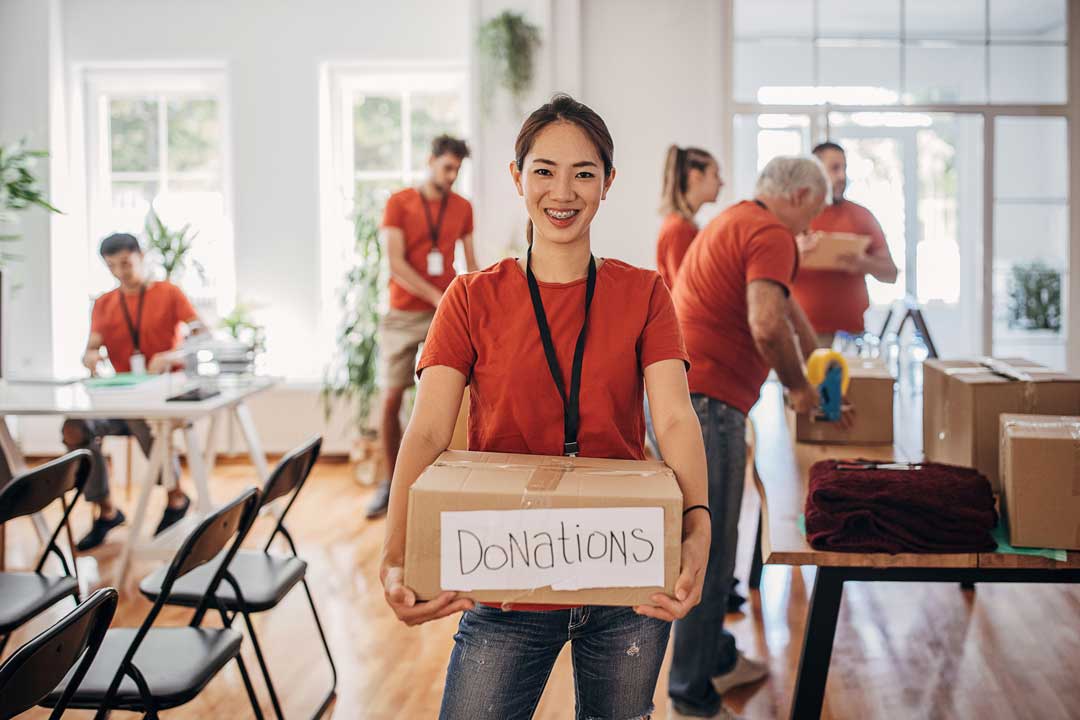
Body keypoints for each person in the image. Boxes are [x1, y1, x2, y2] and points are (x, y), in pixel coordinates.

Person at [379, 94, 711, 720]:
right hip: (503, 579)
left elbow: (672, 418)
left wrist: (698, 524)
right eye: (544, 170)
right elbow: (425, 432)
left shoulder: (644, 292)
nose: (564, 191)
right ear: (517, 177)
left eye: (584, 172)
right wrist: (396, 551)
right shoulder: (470, 297)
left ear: (608, 183)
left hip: (626, 578)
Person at [668, 156, 830, 719]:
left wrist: (819, 363)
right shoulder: (771, 232)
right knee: (708, 554)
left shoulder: (739, 219)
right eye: (816, 209)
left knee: (707, 542)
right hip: (708, 405)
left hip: (690, 397)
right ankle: (691, 693)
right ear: (803, 193)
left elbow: (786, 312)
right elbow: (766, 323)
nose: (815, 223)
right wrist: (799, 388)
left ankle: (713, 657)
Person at [64, 232, 204, 551]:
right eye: (111, 266)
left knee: (143, 417)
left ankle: (176, 498)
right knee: (75, 427)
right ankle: (106, 511)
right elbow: (92, 346)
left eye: (125, 263)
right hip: (121, 393)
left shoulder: (169, 293)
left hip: (161, 395)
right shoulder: (104, 303)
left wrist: (174, 355)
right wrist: (90, 357)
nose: (120, 272)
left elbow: (201, 332)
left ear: (141, 256)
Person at [365, 134, 479, 519]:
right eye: (447, 167)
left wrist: (478, 301)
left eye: (457, 170)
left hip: (443, 310)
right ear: (430, 161)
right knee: (391, 397)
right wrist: (436, 296)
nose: (451, 176)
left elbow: (472, 262)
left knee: (449, 397)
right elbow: (395, 264)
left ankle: (438, 480)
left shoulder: (462, 207)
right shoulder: (399, 204)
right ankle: (390, 481)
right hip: (404, 312)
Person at [792, 141, 898, 348]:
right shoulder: (794, 216)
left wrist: (863, 263)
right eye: (834, 169)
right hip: (802, 333)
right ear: (814, 172)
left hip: (850, 337)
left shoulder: (862, 216)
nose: (842, 176)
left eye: (844, 168)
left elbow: (891, 274)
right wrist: (794, 252)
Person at [656, 145, 723, 290]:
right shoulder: (679, 229)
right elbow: (685, 289)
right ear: (695, 176)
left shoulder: (682, 225)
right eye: (715, 175)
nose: (721, 183)